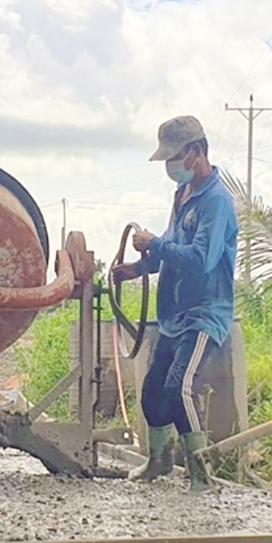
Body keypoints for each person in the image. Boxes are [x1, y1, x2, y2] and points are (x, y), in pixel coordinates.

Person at [112, 116, 239, 492]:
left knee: (179, 387)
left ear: (196, 152)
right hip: (173, 314)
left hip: (203, 313)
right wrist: (139, 268)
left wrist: (155, 244)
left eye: (174, 157)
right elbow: (171, 247)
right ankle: (159, 460)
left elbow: (201, 259)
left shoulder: (216, 201)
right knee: (153, 392)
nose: (170, 167)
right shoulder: (182, 197)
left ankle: (202, 475)